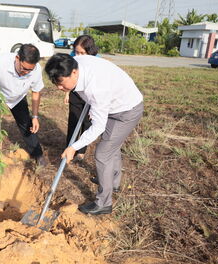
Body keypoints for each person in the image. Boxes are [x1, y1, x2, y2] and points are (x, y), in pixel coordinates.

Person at [45, 54, 144, 215]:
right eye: (55, 83)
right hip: (113, 103)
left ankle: (104, 203)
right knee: (111, 145)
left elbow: (97, 126)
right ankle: (113, 182)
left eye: (61, 83)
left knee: (103, 153)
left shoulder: (96, 88)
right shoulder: (77, 62)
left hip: (126, 110)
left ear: (74, 73)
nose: (59, 88)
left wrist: (73, 147)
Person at [64, 35, 99, 162]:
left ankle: (81, 151)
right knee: (73, 120)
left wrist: (94, 106)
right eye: (76, 52)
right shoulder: (72, 57)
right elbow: (67, 77)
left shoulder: (97, 61)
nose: (78, 56)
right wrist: (67, 93)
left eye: (82, 53)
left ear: (90, 52)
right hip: (76, 92)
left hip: (91, 95)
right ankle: (69, 148)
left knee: (86, 122)